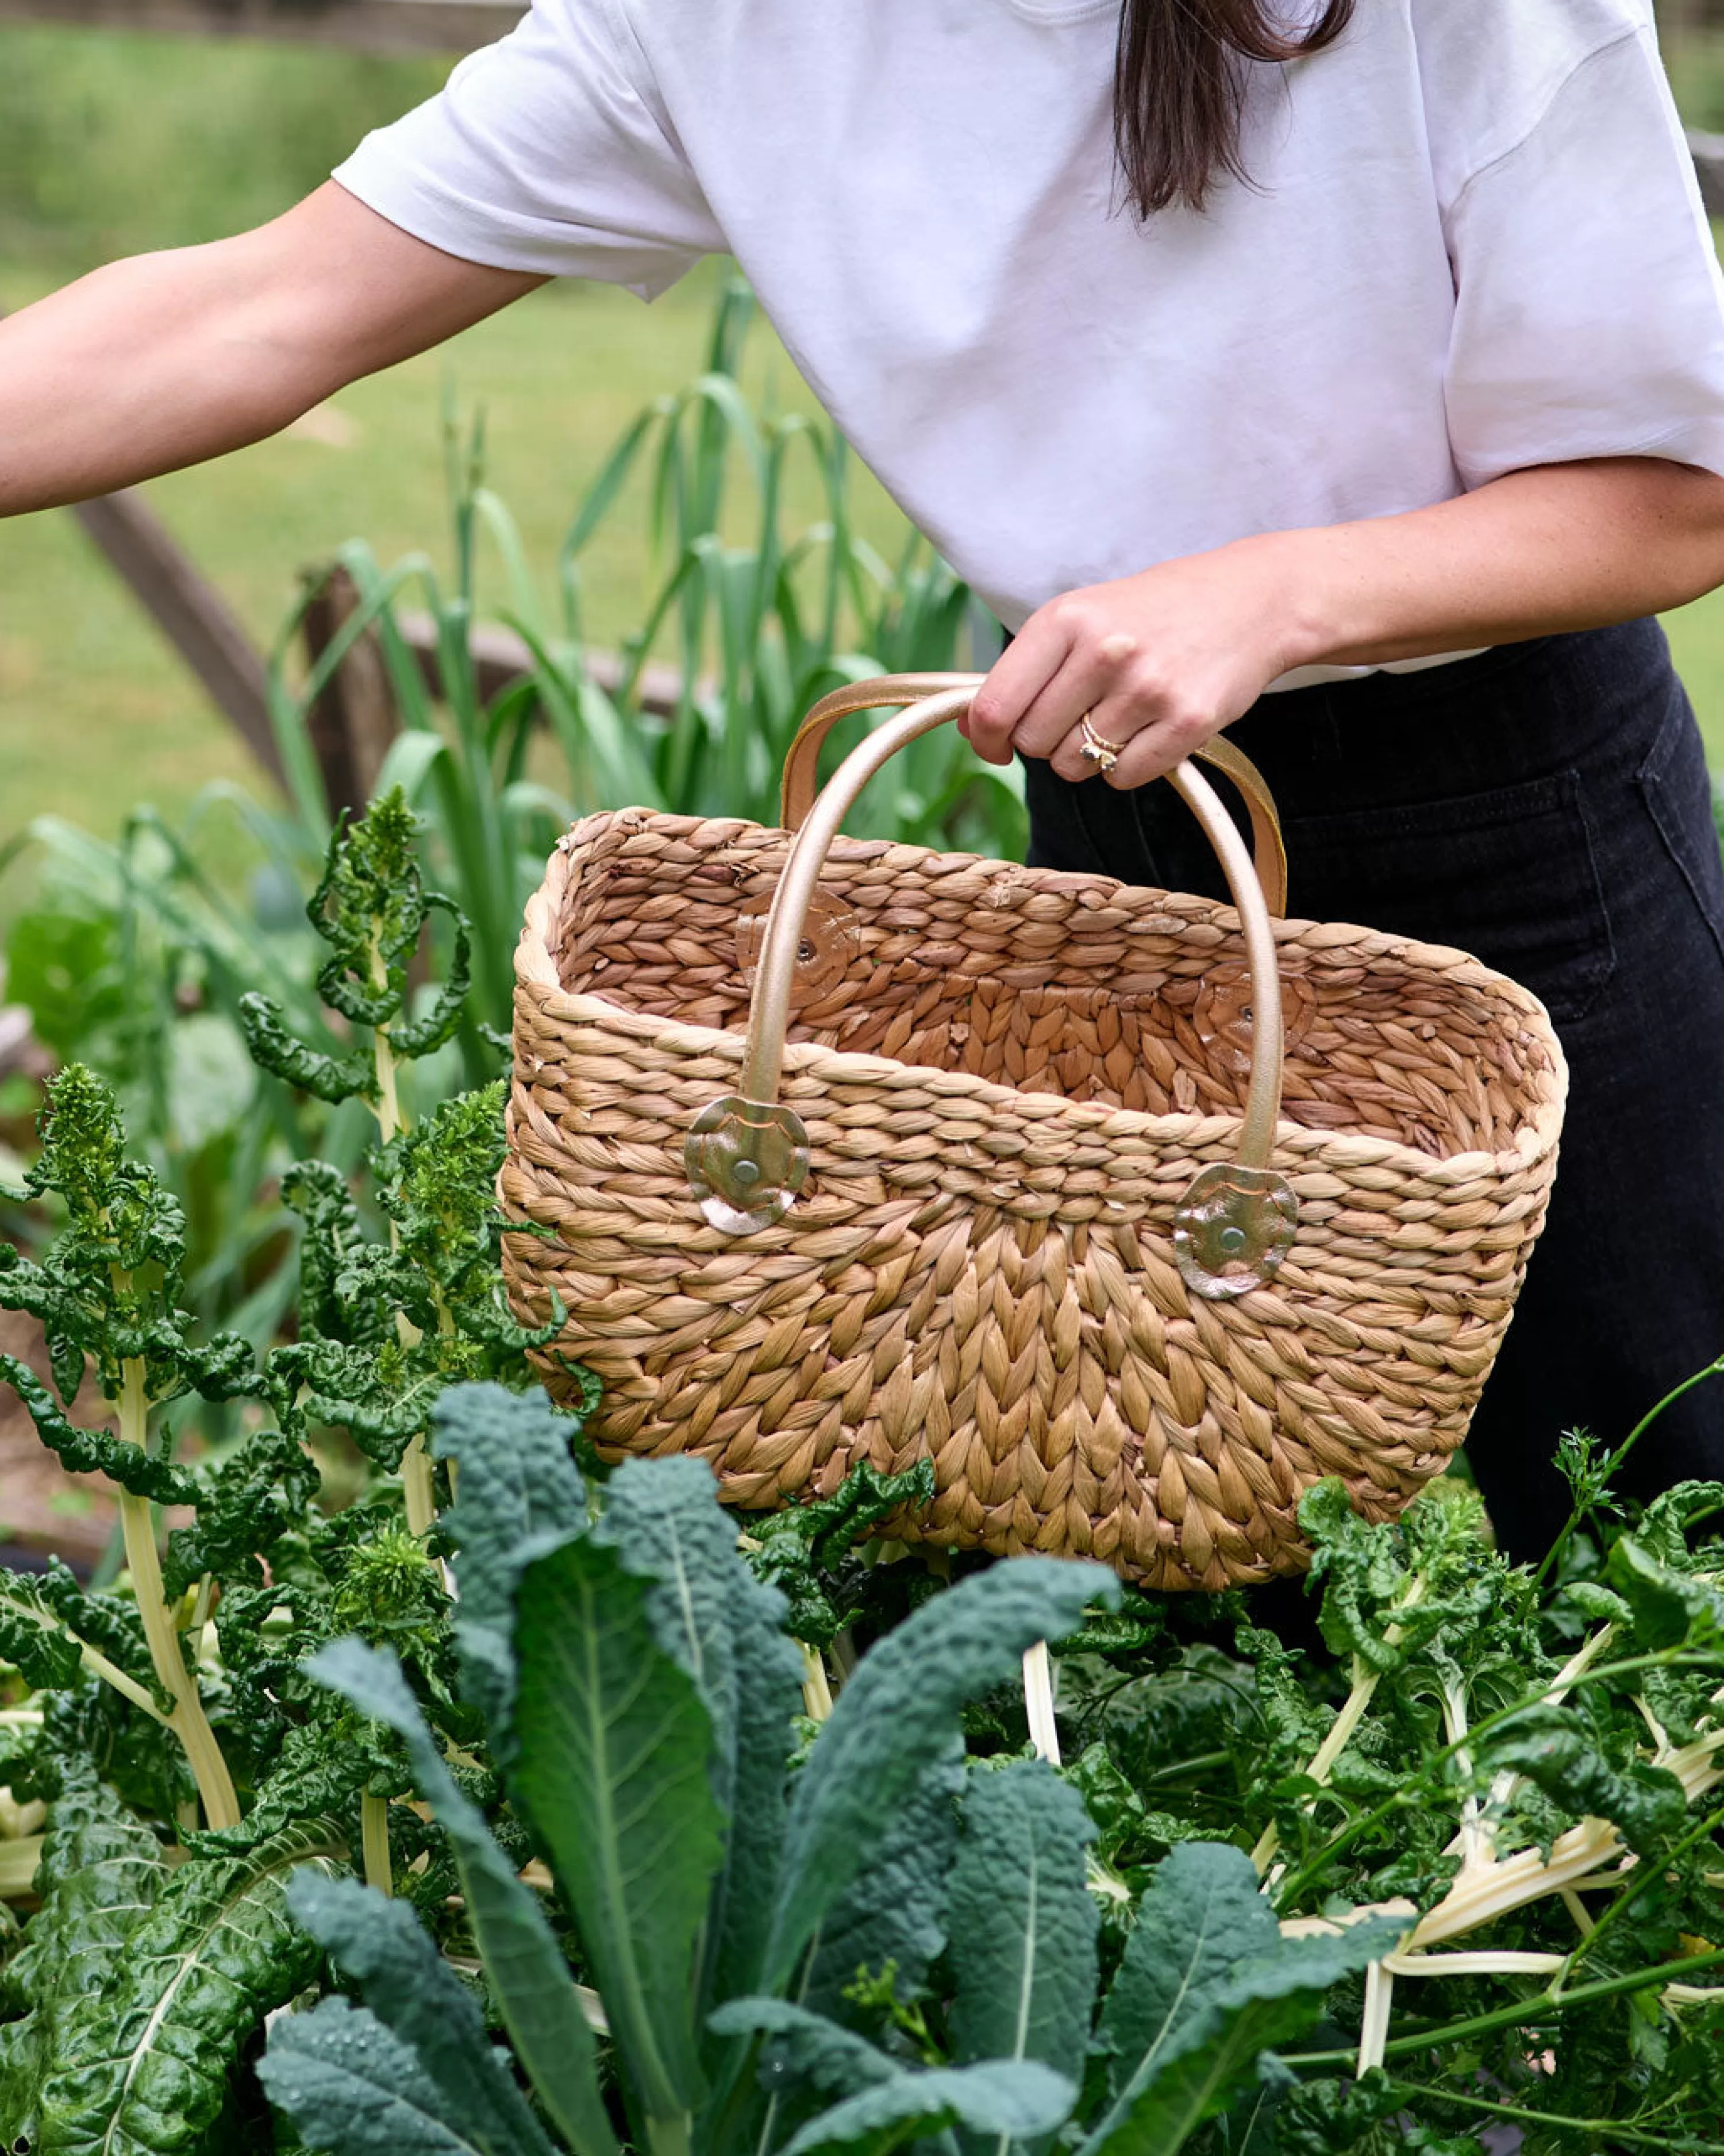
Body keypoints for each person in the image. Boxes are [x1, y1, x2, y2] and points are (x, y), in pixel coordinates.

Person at [5, 0, 1724, 1561]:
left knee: (1657, 1551)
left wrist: (1268, 592)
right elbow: (260, 307)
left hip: (1524, 847)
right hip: (1119, 852)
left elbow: (1672, 494)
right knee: (1180, 1596)